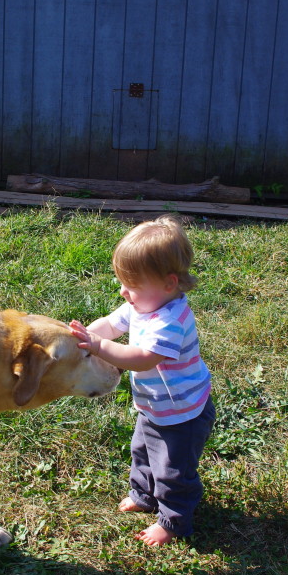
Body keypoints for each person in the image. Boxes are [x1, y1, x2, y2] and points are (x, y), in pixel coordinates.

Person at [70, 215, 214, 545]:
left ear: (169, 283)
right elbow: (111, 323)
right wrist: (87, 334)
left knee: (172, 471)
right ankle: (145, 495)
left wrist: (98, 347)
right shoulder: (142, 305)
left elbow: (142, 357)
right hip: (155, 406)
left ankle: (174, 521)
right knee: (143, 452)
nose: (124, 292)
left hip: (183, 414)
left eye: (132, 286)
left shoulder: (171, 321)